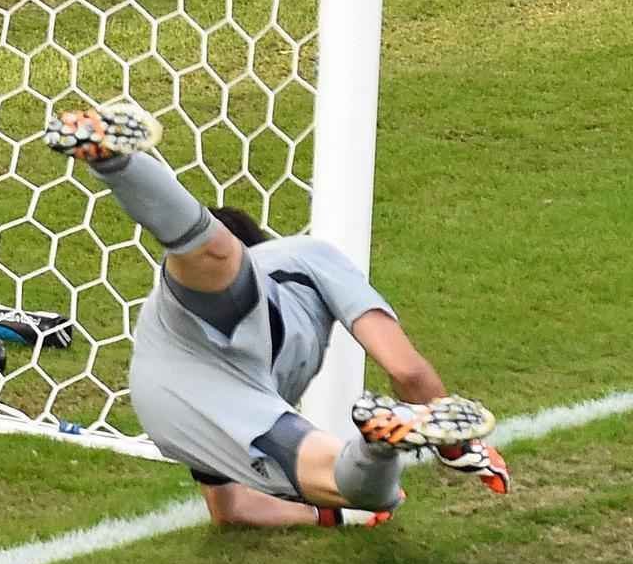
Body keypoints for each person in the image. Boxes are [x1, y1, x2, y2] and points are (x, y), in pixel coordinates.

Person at [43, 105, 510, 528]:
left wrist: (326, 518)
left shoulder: (190, 320)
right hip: (204, 367)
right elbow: (406, 368)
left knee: (210, 252)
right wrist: (456, 447)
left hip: (169, 398)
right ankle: (379, 443)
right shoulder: (304, 255)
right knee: (365, 486)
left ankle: (113, 160)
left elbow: (232, 510)